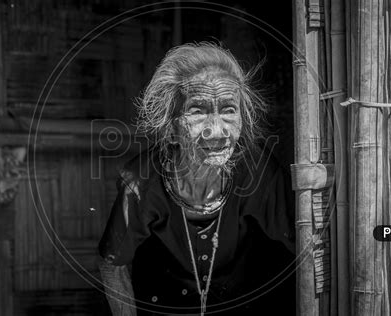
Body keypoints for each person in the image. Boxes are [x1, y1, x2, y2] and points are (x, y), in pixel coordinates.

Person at [98, 42, 295, 316]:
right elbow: (113, 263)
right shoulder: (142, 184)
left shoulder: (257, 169)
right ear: (171, 129)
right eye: (198, 111)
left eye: (228, 110)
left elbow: (301, 241)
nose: (216, 131)